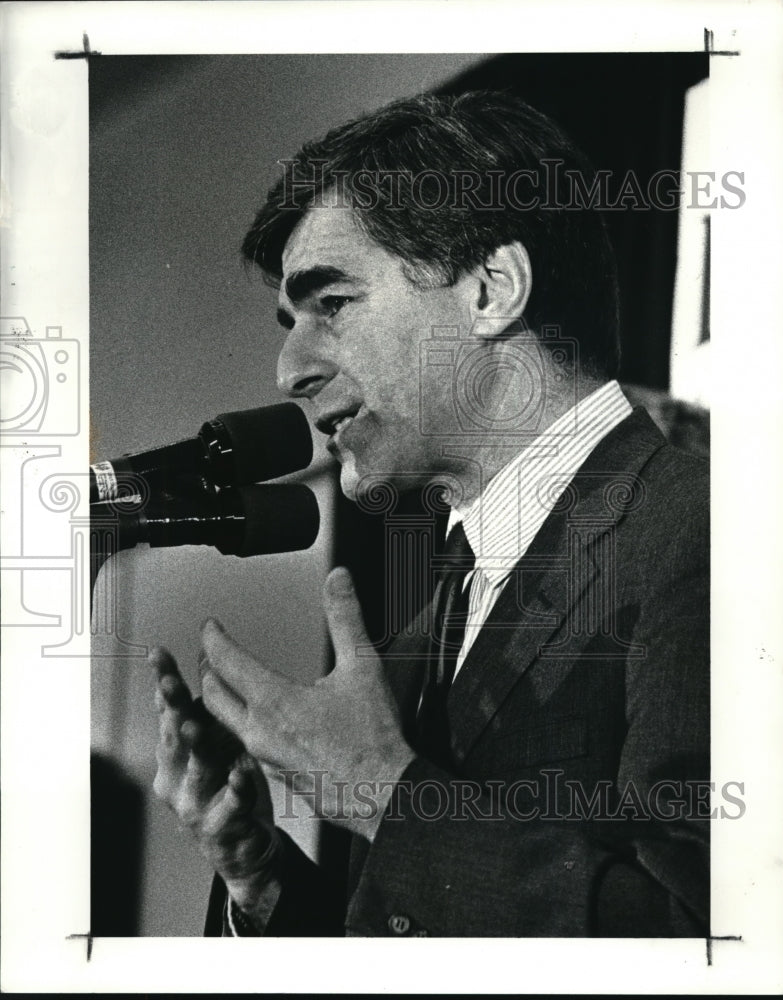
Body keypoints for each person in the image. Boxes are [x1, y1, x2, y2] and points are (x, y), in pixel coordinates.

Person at [150, 91, 709, 937]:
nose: (289, 369)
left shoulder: (711, 535)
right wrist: (260, 878)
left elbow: (712, 946)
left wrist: (383, 793)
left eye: (331, 303)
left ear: (492, 290)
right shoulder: (424, 628)